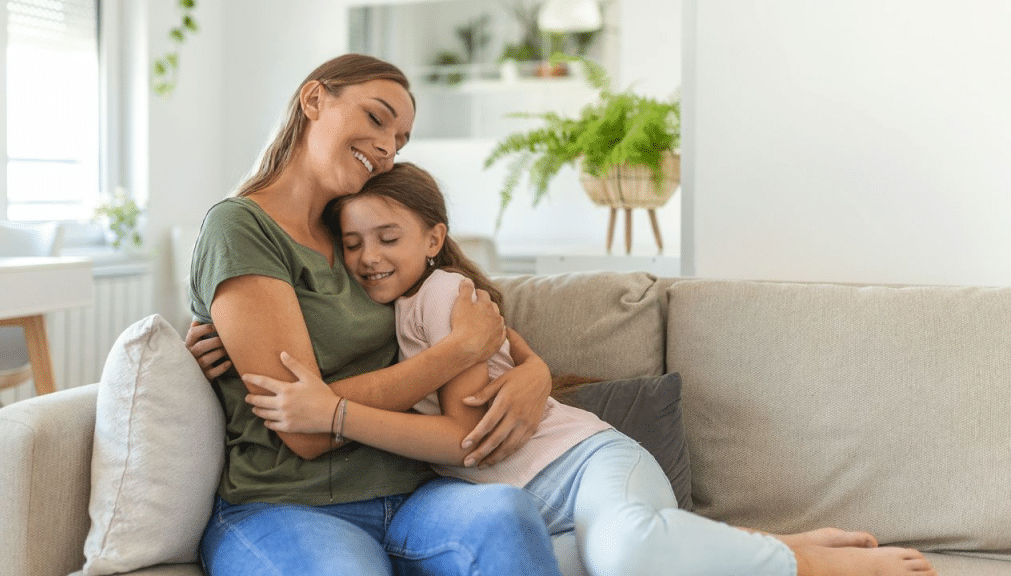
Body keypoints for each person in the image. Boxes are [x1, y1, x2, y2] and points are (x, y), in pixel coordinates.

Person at [233, 162, 938, 576]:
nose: (368, 257)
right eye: (352, 244)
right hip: (538, 509)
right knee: (603, 564)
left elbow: (463, 441)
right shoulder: (377, 311)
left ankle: (819, 566)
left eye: (388, 238)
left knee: (628, 550)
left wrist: (336, 415)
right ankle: (777, 542)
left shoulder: (446, 296)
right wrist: (215, 334)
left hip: (584, 465)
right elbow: (292, 321)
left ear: (434, 238)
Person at [188, 53, 563, 576]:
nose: (388, 148)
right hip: (287, 506)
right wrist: (456, 353)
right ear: (314, 100)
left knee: (506, 513)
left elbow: (468, 317)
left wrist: (535, 372)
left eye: (402, 139)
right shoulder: (241, 229)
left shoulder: (358, 234)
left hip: (413, 496)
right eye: (376, 117)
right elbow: (305, 428)